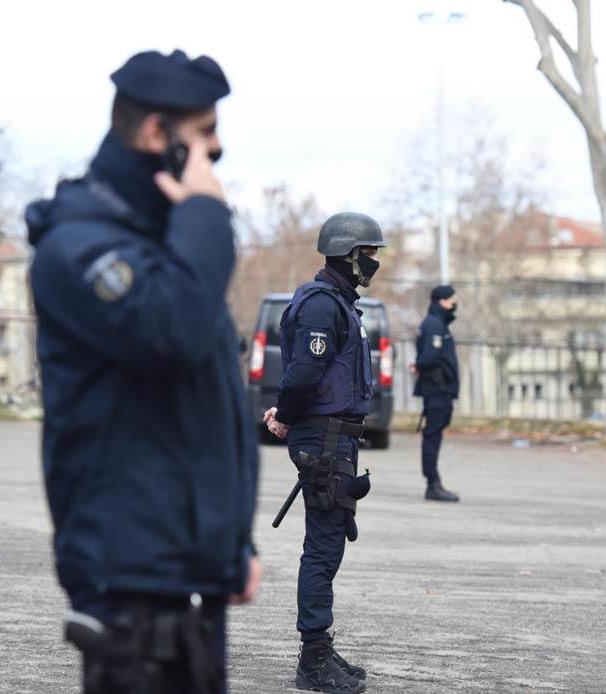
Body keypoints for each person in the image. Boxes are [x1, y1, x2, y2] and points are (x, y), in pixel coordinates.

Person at [25, 49, 260, 694]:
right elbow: (173, 332)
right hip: (128, 574)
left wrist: (231, 548)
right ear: (160, 136)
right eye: (205, 133)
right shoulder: (81, 245)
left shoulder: (166, 244)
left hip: (183, 568)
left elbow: (204, 409)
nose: (217, 150)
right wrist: (206, 212)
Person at [263, 212, 385, 694]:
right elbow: (302, 375)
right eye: (370, 254)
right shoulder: (320, 306)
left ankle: (320, 646)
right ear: (349, 255)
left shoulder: (339, 304)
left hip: (338, 437)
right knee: (323, 546)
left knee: (329, 542)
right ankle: (312, 661)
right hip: (325, 439)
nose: (375, 262)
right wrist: (287, 414)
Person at [413, 284, 462, 502]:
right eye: (451, 299)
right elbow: (429, 357)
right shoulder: (434, 325)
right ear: (441, 301)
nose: (454, 303)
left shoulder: (438, 323)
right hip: (437, 390)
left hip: (440, 390)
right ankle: (433, 484)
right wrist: (418, 365)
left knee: (434, 435)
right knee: (432, 436)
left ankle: (434, 482)